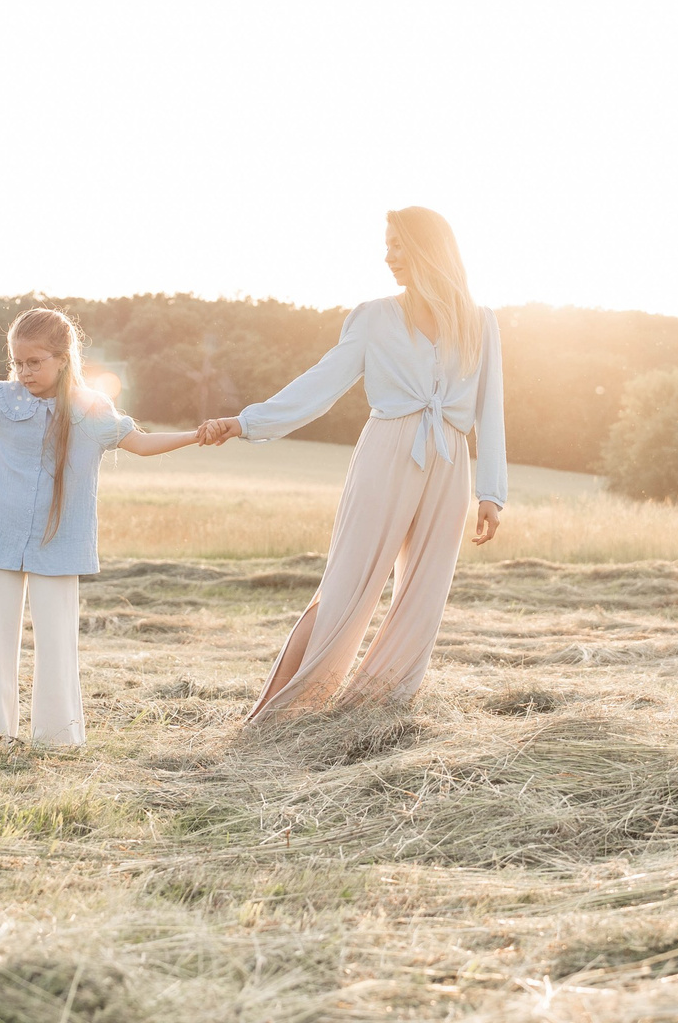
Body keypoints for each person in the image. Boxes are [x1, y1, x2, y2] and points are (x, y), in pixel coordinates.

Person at [198, 207, 505, 721]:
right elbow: (321, 385)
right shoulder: (374, 317)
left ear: (430, 248)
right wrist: (249, 422)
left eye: (399, 245)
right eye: (386, 245)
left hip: (451, 465)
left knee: (422, 601)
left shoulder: (481, 322)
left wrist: (492, 492)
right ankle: (275, 716)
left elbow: (490, 409)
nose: (389, 256)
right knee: (345, 589)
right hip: (387, 453)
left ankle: (374, 715)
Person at [0, 308, 201, 746]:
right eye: (18, 362)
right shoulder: (1, 399)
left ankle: (57, 738)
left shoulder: (91, 410)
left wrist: (196, 435)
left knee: (56, 642)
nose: (24, 371)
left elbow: (142, 444)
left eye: (34, 362)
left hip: (59, 540)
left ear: (63, 358)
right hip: (2, 535)